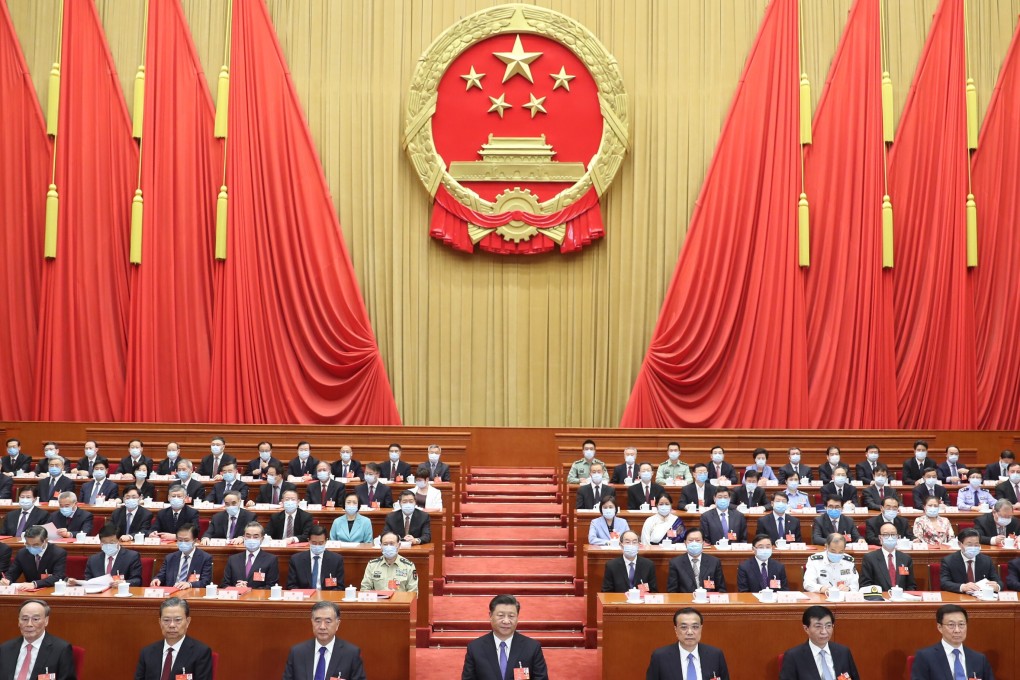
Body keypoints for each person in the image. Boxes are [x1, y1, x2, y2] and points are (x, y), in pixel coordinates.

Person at [461, 594, 548, 680]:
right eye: (501, 615)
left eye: (511, 616)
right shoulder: (475, 648)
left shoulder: (532, 647)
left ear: (517, 617)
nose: (506, 621)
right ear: (490, 616)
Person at [281, 601, 366, 680]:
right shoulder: (297, 652)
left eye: (328, 621)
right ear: (312, 622)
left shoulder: (351, 653)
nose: (322, 627)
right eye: (317, 621)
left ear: (337, 624)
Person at [134, 597, 213, 680]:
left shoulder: (201, 652)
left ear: (187, 622)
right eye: (166, 620)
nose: (172, 625)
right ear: (160, 622)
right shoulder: (147, 653)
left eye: (177, 620)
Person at [910, 604, 995, 680]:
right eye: (951, 625)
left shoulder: (979, 659)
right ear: (940, 627)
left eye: (961, 624)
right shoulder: (925, 657)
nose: (957, 630)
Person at [0, 599, 76, 680]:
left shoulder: (61, 650)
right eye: (25, 619)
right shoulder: (5, 649)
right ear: (18, 621)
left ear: (46, 621)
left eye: (35, 619)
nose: (29, 624)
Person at [646, 607, 730, 680]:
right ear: (676, 630)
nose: (690, 632)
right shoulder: (660, 657)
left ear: (701, 628)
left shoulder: (715, 655)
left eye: (695, 627)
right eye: (684, 627)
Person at [779, 606, 860, 680]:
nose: (824, 632)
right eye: (818, 626)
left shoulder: (843, 652)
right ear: (806, 628)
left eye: (828, 626)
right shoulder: (793, 656)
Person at [1, 525, 67, 590]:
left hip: (50, 589)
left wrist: (35, 584)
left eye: (35, 545)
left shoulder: (58, 553)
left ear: (45, 541)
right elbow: (12, 572)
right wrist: (7, 580)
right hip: (28, 591)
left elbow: (58, 576)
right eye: (28, 544)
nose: (31, 547)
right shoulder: (22, 553)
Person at [74, 523, 143, 586]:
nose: (108, 545)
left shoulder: (131, 556)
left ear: (119, 541)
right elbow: (88, 581)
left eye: (112, 542)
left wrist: (123, 583)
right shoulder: (93, 559)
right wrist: (76, 583)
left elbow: (137, 580)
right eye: (104, 543)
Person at [939, 528, 1003, 593]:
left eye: (976, 545)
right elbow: (944, 583)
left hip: (981, 597)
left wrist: (997, 587)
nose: (973, 547)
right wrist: (962, 587)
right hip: (960, 597)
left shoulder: (986, 560)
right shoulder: (949, 561)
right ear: (960, 544)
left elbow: (998, 581)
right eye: (969, 545)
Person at [151, 524, 213, 589]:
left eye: (186, 540)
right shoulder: (170, 558)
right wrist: (157, 579)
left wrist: (190, 584)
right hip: (172, 594)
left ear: (195, 541)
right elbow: (161, 575)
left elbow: (205, 581)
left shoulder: (205, 558)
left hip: (192, 593)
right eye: (180, 540)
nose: (183, 543)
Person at [860, 522, 917, 591]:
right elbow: (865, 585)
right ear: (880, 538)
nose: (890, 538)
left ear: (898, 537)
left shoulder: (906, 559)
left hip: (901, 599)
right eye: (886, 535)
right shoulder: (870, 558)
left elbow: (911, 585)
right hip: (879, 599)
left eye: (893, 535)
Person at [222, 522, 278, 589]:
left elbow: (271, 586)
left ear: (262, 539)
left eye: (255, 537)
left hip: (258, 598)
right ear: (244, 537)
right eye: (248, 536)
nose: (251, 539)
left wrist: (249, 589)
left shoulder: (271, 559)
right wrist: (235, 588)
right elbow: (224, 584)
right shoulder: (233, 559)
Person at [287, 525, 344, 590]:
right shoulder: (296, 560)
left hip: (326, 598)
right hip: (305, 598)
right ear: (309, 541)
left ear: (326, 541)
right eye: (314, 543)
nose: (317, 546)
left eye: (320, 543)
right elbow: (291, 586)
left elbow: (340, 587)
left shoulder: (336, 560)